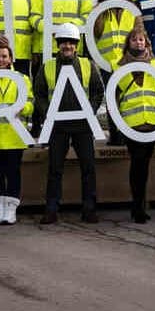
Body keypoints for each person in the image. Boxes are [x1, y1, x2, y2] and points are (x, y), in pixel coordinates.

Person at [35, 24, 104, 225]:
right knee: (55, 169)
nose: (67, 46)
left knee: (88, 168)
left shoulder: (87, 65)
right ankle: (51, 209)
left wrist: (88, 112)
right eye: (64, 42)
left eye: (71, 43)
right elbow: (38, 93)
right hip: (58, 127)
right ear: (58, 45)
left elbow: (98, 91)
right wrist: (49, 112)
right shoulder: (47, 66)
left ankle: (89, 209)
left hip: (82, 126)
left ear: (76, 45)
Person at [114, 28, 155, 223]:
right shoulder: (118, 65)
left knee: (144, 165)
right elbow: (114, 97)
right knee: (137, 164)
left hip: (151, 122)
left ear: (147, 43)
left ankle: (139, 205)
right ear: (128, 43)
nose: (139, 43)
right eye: (135, 40)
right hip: (131, 123)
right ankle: (137, 207)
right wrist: (117, 126)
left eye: (142, 40)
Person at [0, 43, 34, 225]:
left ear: (11, 59)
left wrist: (23, 108)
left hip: (14, 135)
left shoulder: (22, 79)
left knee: (12, 174)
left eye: (4, 56)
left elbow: (31, 104)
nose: (1, 60)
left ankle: (11, 210)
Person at [93, 0, 139, 145]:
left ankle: (129, 132)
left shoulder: (132, 9)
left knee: (128, 98)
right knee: (113, 100)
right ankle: (115, 135)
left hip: (129, 62)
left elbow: (140, 33)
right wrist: (100, 10)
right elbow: (96, 33)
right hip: (108, 63)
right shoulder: (100, 10)